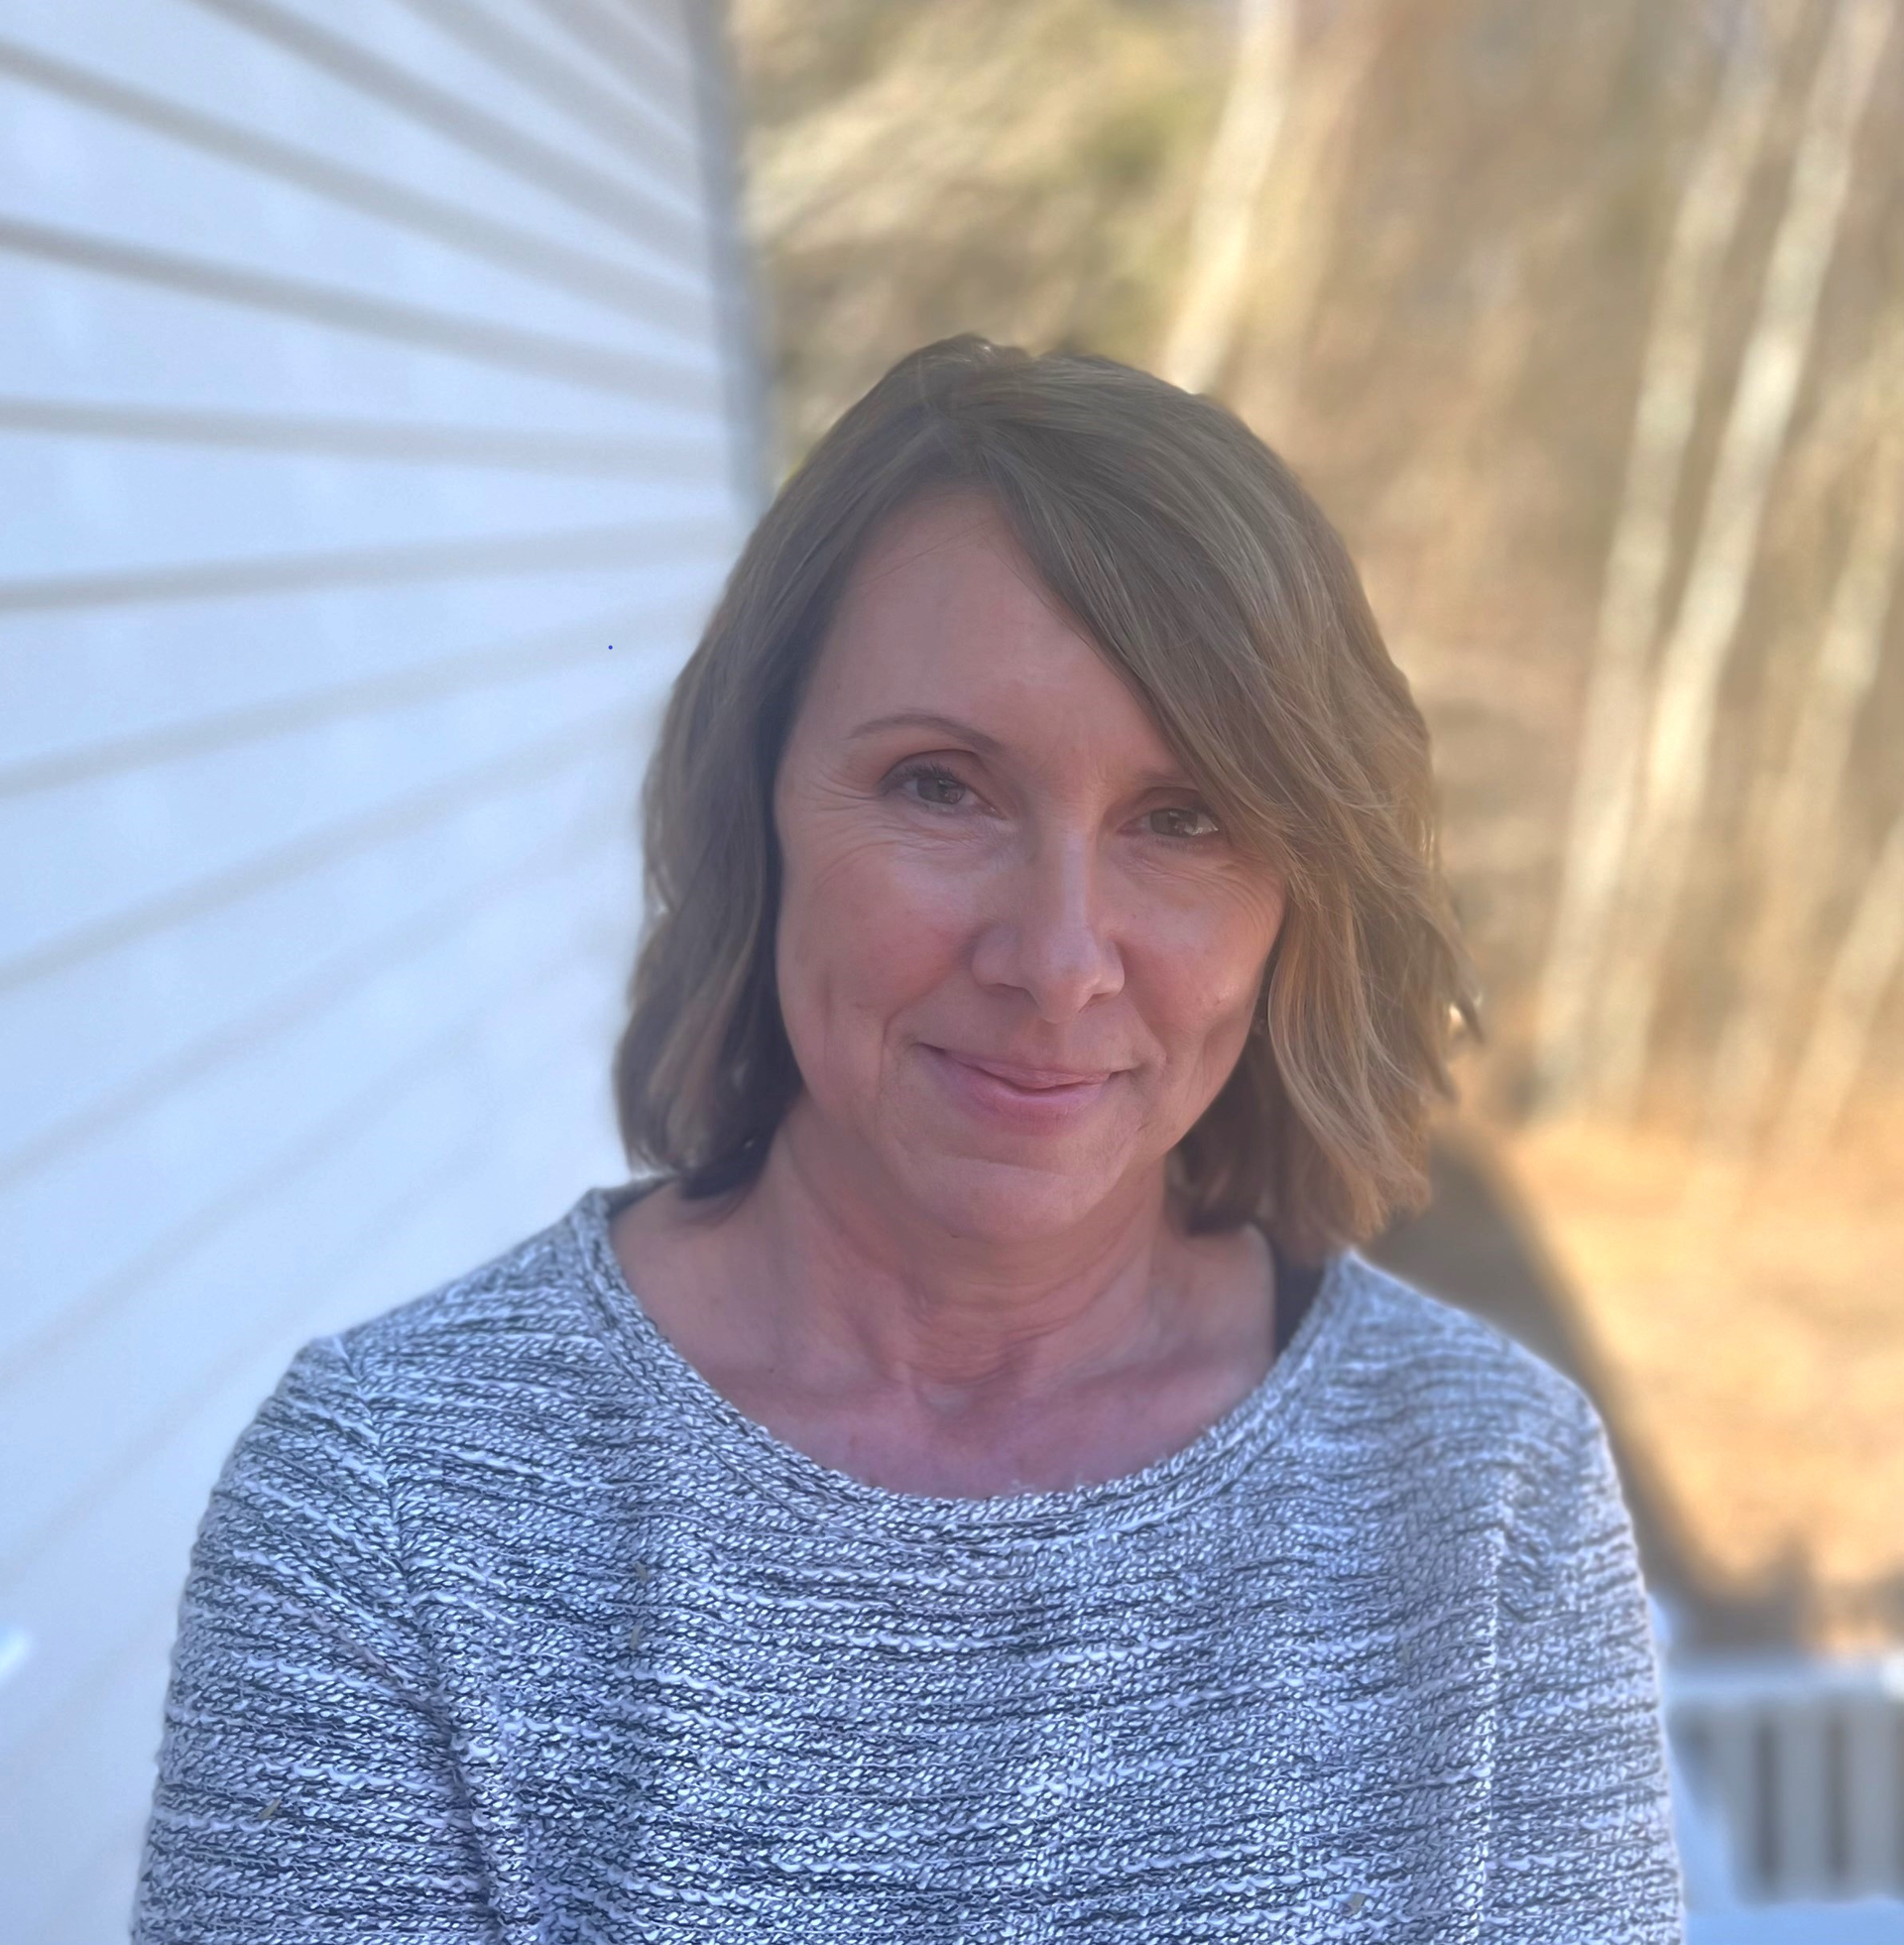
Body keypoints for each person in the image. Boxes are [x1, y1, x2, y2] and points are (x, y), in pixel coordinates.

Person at [132, 337, 1685, 1942]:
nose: (1058, 956)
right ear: (760, 807)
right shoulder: (391, 1507)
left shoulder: (1486, 1494)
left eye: (1186, 817)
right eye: (940, 787)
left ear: (1302, 895)